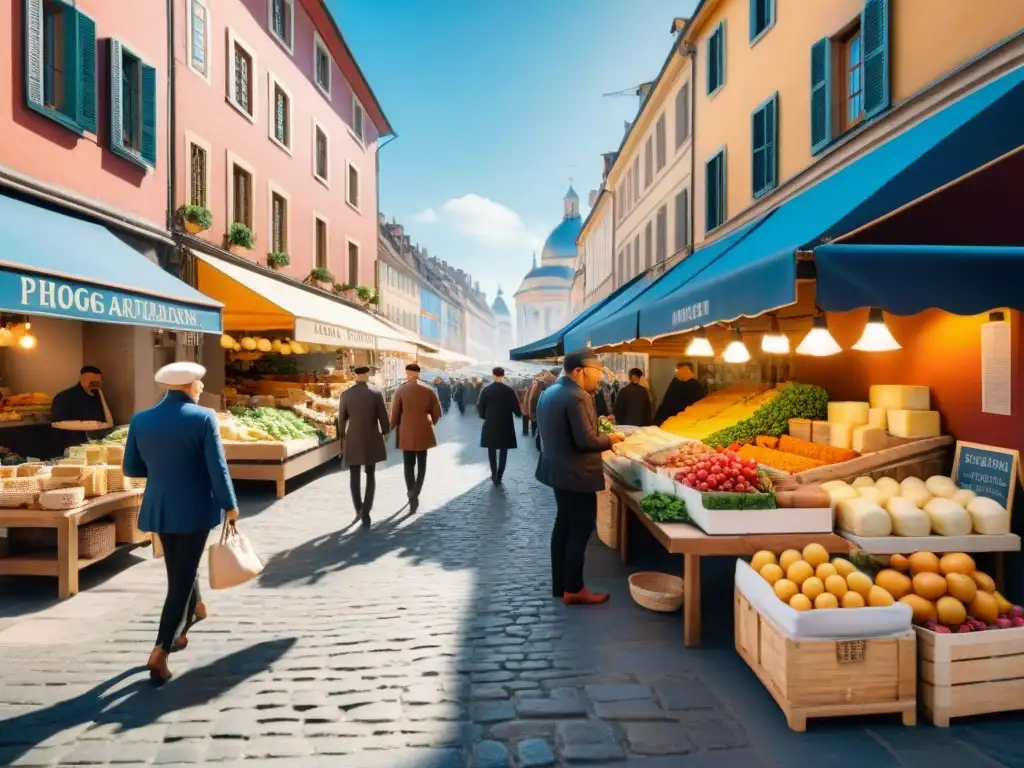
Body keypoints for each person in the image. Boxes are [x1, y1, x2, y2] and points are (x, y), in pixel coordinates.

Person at [122, 362, 238, 685]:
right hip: (195, 509)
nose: (201, 387)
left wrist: (163, 470)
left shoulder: (141, 419)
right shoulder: (203, 417)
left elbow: (131, 467)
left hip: (159, 507)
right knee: (180, 580)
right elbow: (218, 467)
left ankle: (195, 612)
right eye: (199, 383)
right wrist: (230, 504)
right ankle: (161, 649)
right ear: (189, 385)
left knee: (181, 567)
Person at [535, 350, 624, 606]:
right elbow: (586, 440)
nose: (598, 380)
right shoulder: (578, 396)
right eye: (596, 374)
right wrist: (611, 439)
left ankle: (560, 585)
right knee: (580, 529)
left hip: (557, 471)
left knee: (563, 526)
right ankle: (574, 588)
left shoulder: (548, 392)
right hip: (577, 474)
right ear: (579, 371)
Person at [338, 366, 389, 526]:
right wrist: (386, 432)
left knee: (354, 474)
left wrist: (341, 435)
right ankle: (366, 511)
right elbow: (383, 416)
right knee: (370, 474)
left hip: (353, 437)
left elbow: (341, 419)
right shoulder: (375, 392)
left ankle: (358, 509)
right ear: (366, 375)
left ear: (355, 376)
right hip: (371, 436)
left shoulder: (346, 394)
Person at [389, 363, 442, 513]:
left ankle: (411, 493)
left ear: (408, 373)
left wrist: (389, 429)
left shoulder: (400, 390)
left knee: (408, 465)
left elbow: (395, 414)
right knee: (422, 463)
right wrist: (431, 421)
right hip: (423, 430)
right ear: (419, 373)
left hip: (406, 431)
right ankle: (416, 491)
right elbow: (437, 412)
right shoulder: (428, 389)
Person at [477, 366, 522, 485]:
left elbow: (480, 407)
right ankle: (500, 475)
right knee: (503, 450)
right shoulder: (509, 390)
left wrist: (484, 416)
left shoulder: (486, 390)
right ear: (503, 375)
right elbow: (516, 409)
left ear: (493, 375)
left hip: (491, 423)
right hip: (505, 424)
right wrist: (518, 413)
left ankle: (493, 474)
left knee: (491, 450)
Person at [528, 369, 557, 448]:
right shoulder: (550, 384)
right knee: (540, 427)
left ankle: (537, 442)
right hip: (542, 408)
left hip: (538, 408)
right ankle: (538, 443)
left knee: (538, 427)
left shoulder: (538, 384)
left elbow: (531, 398)